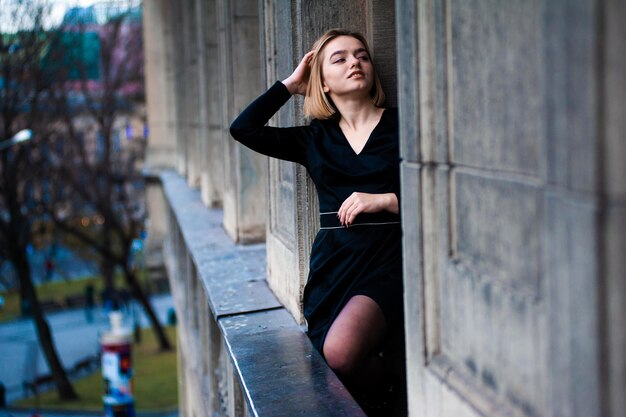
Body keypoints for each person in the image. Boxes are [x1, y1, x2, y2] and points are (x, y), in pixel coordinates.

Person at [230, 28, 403, 415]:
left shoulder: (403, 126)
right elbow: (243, 129)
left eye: (361, 55)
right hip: (335, 265)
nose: (355, 62)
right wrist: (290, 85)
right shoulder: (315, 139)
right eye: (339, 59)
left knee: (341, 352)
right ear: (321, 81)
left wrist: (388, 200)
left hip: (390, 259)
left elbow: (434, 186)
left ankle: (394, 392)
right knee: (332, 362)